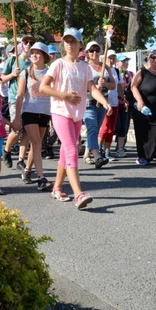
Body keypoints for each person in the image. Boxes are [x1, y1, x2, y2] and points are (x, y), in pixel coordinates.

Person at [40, 27, 112, 210]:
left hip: (76, 114)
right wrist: (64, 96)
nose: (69, 44)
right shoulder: (58, 64)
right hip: (59, 111)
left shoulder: (84, 66)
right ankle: (78, 194)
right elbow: (43, 88)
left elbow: (92, 89)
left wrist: (104, 102)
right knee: (72, 150)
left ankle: (57, 187)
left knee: (66, 152)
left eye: (73, 41)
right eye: (67, 41)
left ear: (80, 44)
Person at [12, 41, 53, 191]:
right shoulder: (26, 72)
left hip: (45, 111)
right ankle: (41, 178)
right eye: (33, 52)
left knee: (36, 144)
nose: (34, 55)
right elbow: (20, 95)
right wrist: (17, 117)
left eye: (38, 53)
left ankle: (27, 170)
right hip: (29, 111)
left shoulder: (50, 72)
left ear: (44, 56)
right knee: (36, 143)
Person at [1, 34, 35, 169]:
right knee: (17, 129)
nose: (28, 45)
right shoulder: (13, 60)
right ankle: (7, 150)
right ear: (21, 44)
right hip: (15, 98)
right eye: (26, 42)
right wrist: (12, 75)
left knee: (27, 131)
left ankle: (21, 160)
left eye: (31, 43)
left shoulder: (33, 63)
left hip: (30, 100)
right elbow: (1, 78)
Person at [82, 41, 113, 168]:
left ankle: (86, 153)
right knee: (92, 128)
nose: (94, 52)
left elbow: (113, 85)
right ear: (87, 53)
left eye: (97, 50)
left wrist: (104, 84)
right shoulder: (84, 66)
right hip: (88, 101)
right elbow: (80, 85)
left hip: (103, 102)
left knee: (95, 129)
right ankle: (97, 156)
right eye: (91, 50)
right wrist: (93, 87)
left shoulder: (105, 67)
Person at [97, 49, 120, 160]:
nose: (111, 60)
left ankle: (107, 151)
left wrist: (122, 98)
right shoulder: (102, 69)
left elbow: (119, 85)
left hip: (114, 102)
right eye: (109, 57)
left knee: (111, 129)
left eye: (113, 57)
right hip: (105, 102)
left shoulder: (116, 71)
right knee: (105, 128)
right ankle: (98, 149)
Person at [113, 54, 134, 158]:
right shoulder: (113, 73)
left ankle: (120, 148)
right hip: (115, 102)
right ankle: (103, 147)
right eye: (123, 61)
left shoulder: (129, 74)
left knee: (124, 127)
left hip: (125, 103)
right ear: (117, 62)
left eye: (126, 61)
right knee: (115, 126)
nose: (125, 63)